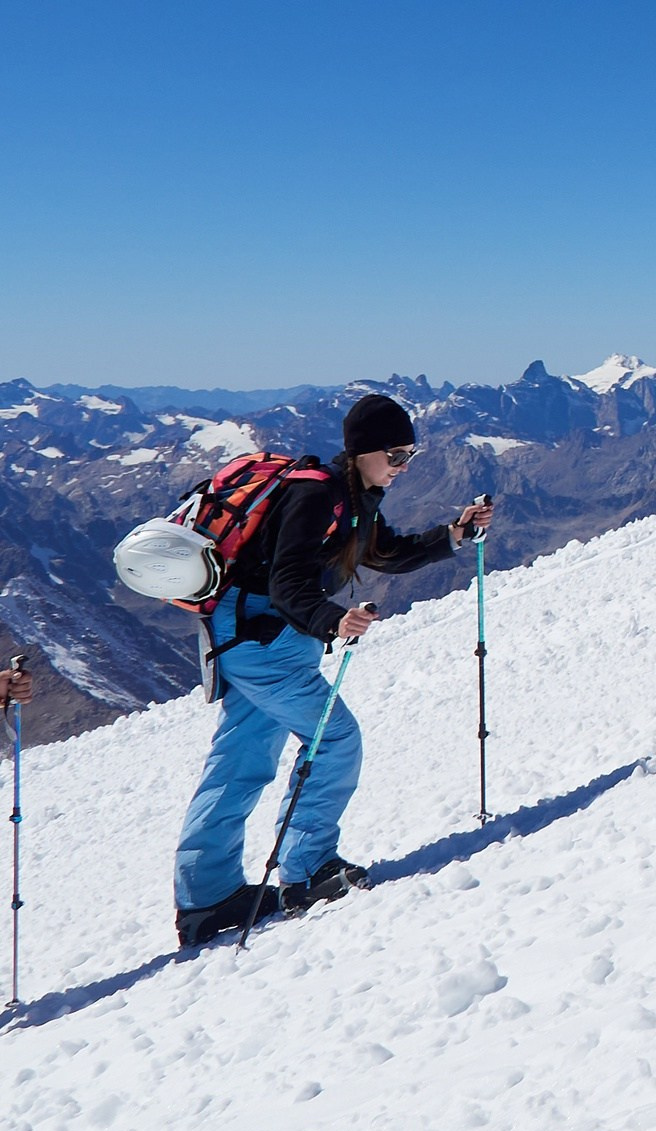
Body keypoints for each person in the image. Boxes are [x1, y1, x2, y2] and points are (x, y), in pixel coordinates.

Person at [172, 393, 493, 947]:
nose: (402, 466)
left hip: (258, 632)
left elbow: (383, 552)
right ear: (362, 450)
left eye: (409, 455)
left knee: (242, 756)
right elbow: (287, 582)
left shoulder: (355, 495)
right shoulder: (316, 494)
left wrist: (454, 534)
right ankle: (307, 870)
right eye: (395, 454)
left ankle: (207, 898)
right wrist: (332, 620)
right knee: (334, 736)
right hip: (263, 633)